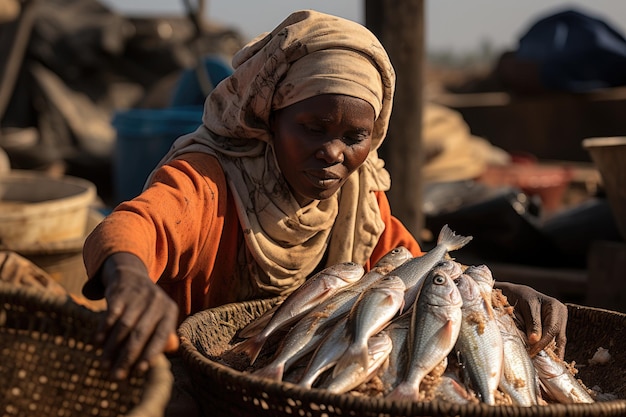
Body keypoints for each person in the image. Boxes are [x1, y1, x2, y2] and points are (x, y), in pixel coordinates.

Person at [81, 9, 568, 413]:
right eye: (313, 128)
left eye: (354, 137)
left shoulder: (361, 201)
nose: (333, 154)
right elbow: (133, 226)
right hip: (197, 391)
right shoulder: (211, 179)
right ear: (271, 119)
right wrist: (129, 278)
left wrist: (497, 300)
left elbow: (418, 273)